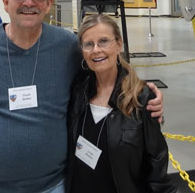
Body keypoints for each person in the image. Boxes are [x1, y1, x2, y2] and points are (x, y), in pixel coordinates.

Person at [0, 0, 163, 193]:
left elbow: (104, 70)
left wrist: (143, 93)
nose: (29, 2)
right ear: (6, 2)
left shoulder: (67, 46)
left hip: (54, 185)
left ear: (48, 4)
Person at [67, 14, 175, 193]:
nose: (96, 50)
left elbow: (156, 166)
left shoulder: (141, 98)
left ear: (119, 44)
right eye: (88, 44)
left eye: (103, 41)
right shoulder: (78, 90)